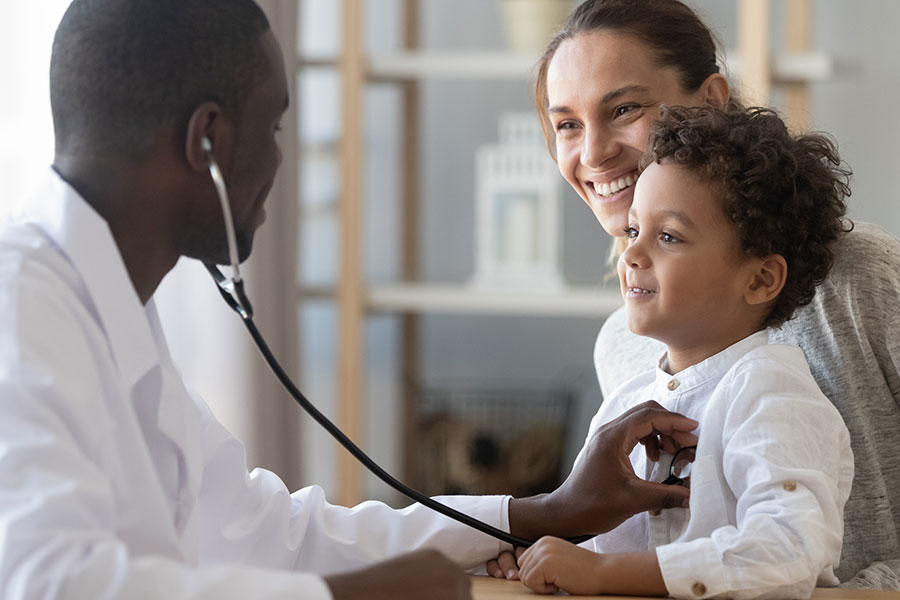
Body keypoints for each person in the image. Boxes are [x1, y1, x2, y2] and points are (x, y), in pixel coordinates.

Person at [0, 1, 702, 599]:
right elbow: (51, 581)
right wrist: (347, 596)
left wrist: (542, 511)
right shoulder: (18, 304)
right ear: (208, 142)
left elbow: (265, 530)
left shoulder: (107, 307)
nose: (282, 161)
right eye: (274, 128)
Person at [487, 0, 900, 589]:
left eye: (624, 108)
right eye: (568, 124)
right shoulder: (630, 349)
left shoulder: (865, 281)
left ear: (709, 101)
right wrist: (544, 551)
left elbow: (784, 546)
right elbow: (641, 545)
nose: (594, 152)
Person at [518, 105, 854, 598]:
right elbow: (594, 550)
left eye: (668, 236)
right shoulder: (624, 406)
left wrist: (599, 574)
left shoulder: (772, 395)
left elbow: (787, 551)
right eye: (634, 230)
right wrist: (542, 557)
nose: (631, 254)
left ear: (760, 279)